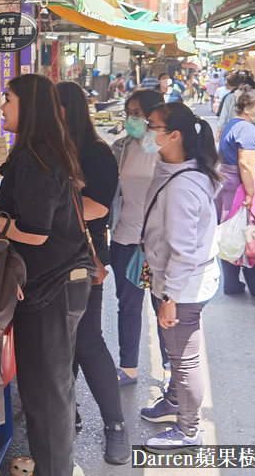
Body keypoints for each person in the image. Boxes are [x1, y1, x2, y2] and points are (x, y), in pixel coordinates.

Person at [0, 74, 92, 476]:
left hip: (52, 288)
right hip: (53, 286)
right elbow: (33, 215)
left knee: (48, 393)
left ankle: (56, 469)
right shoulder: (40, 153)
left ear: (29, 108)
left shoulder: (38, 159)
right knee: (45, 390)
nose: (2, 106)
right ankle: (50, 464)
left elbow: (36, 234)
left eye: (7, 99)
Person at [138, 103, 221, 447]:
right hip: (180, 281)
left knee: (183, 360)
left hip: (182, 287)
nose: (145, 132)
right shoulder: (181, 170)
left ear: (174, 136)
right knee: (176, 353)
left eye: (151, 126)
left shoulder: (182, 186)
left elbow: (183, 250)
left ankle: (189, 430)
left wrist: (169, 298)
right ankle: (174, 402)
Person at [56, 82, 130, 466]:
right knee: (59, 344)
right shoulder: (51, 149)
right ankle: (68, 415)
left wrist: (46, 210)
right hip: (49, 256)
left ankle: (115, 426)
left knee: (87, 341)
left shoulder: (96, 152)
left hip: (86, 253)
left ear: (65, 110)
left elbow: (98, 207)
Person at [109, 88, 168, 385]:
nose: (132, 119)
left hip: (158, 243)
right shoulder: (121, 147)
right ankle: (128, 367)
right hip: (124, 238)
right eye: (128, 113)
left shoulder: (168, 149)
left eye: (137, 114)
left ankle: (170, 368)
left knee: (164, 307)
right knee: (128, 306)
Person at [216, 89, 255, 297]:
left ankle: (232, 283)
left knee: (233, 232)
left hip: (230, 185)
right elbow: (246, 164)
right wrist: (250, 194)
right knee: (250, 234)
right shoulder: (247, 130)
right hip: (241, 187)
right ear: (247, 108)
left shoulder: (233, 124)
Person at [216, 71, 255, 137]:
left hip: (232, 130)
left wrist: (220, 131)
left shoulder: (230, 97)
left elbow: (224, 116)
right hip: (251, 132)